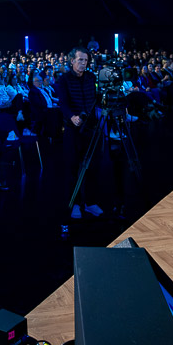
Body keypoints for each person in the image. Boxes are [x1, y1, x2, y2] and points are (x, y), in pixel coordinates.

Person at [54, 47, 103, 227]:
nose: (84, 63)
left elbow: (96, 99)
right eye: (80, 60)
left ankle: (90, 203)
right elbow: (63, 103)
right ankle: (73, 204)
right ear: (72, 61)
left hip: (91, 129)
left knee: (92, 167)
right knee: (73, 169)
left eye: (86, 60)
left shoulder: (91, 77)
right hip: (73, 130)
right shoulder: (64, 79)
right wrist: (71, 116)